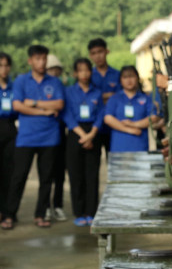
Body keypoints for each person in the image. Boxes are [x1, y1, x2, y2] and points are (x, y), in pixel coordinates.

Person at [2, 45, 64, 229]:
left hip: (49, 137)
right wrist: (45, 112)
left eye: (44, 58)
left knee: (46, 179)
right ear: (30, 61)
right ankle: (9, 214)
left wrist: (35, 103)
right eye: (37, 59)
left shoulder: (55, 82)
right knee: (18, 177)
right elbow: (18, 106)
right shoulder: (21, 81)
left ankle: (40, 214)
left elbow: (59, 104)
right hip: (26, 137)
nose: (42, 62)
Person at [63, 58, 104, 227]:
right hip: (75, 133)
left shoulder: (97, 92)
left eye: (87, 70)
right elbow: (67, 115)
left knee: (91, 175)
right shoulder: (69, 92)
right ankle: (79, 213)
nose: (84, 74)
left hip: (93, 133)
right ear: (75, 73)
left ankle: (91, 212)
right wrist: (83, 136)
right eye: (80, 70)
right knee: (76, 175)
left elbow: (101, 114)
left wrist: (92, 134)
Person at [104, 66, 158, 152]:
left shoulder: (146, 98)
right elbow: (108, 118)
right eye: (125, 77)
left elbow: (153, 117)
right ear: (120, 80)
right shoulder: (115, 98)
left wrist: (133, 124)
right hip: (119, 147)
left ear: (137, 78)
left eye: (132, 76)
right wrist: (130, 130)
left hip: (140, 146)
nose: (129, 80)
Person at [44, 54, 67, 222]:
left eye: (57, 70)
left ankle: (57, 205)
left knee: (59, 173)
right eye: (51, 70)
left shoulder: (63, 88)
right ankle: (44, 206)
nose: (54, 73)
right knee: (46, 172)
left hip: (61, 133)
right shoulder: (41, 89)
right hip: (45, 135)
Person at [88, 38, 120, 154]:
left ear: (107, 51)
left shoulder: (118, 74)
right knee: (93, 163)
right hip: (93, 125)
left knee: (113, 160)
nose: (98, 56)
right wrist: (109, 96)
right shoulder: (88, 75)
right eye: (94, 53)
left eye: (100, 52)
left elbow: (120, 98)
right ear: (90, 55)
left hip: (114, 125)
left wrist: (98, 97)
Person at [0, 52, 17, 228]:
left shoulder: (14, 87)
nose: (3, 69)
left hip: (10, 127)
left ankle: (8, 213)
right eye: (0, 65)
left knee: (9, 173)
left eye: (6, 65)